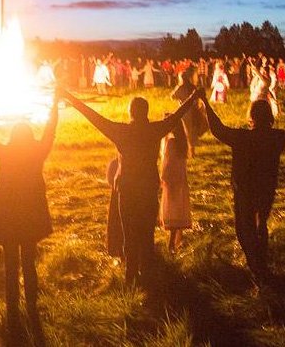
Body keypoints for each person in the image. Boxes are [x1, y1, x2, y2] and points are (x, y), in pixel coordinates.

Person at [59, 87, 201, 288]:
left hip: (127, 190)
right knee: (147, 234)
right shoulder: (154, 130)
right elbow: (177, 115)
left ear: (131, 113)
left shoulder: (122, 131)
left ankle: (131, 278)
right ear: (146, 112)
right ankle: (148, 275)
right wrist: (193, 97)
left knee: (129, 234)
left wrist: (69, 96)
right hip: (148, 189)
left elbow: (93, 116)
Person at [200, 91, 285, 285]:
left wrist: (205, 102)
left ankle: (256, 266)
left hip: (245, 189)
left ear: (252, 116)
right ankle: (261, 263)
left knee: (245, 228)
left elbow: (218, 129)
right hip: (267, 187)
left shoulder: (242, 137)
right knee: (261, 223)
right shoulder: (277, 137)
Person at [0, 100, 59, 337]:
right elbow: (49, 133)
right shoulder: (37, 153)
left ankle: (12, 308)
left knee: (11, 265)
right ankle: (31, 305)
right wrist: (54, 108)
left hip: (8, 217)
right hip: (31, 216)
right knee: (29, 262)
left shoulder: (6, 152)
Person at [159, 118, 192, 254]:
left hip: (172, 179)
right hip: (180, 180)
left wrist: (163, 178)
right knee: (178, 209)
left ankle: (172, 243)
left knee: (172, 209)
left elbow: (168, 162)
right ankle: (175, 242)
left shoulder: (171, 142)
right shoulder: (182, 143)